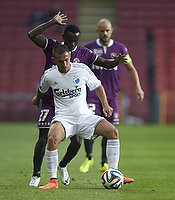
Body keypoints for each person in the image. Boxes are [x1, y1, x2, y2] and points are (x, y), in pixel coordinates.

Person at [28, 11, 126, 187]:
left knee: (78, 141)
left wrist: (116, 62)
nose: (72, 44)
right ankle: (37, 175)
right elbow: (32, 35)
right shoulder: (52, 48)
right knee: (45, 138)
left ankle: (64, 166)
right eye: (70, 40)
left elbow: (104, 66)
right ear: (63, 36)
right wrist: (52, 22)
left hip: (78, 110)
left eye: (75, 41)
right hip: (52, 101)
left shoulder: (83, 58)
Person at [79, 18, 144, 173]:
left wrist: (138, 87)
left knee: (109, 129)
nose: (105, 33)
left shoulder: (121, 48)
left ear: (112, 30)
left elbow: (131, 68)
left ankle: (104, 162)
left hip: (111, 96)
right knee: (90, 126)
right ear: (97, 31)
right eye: (102, 31)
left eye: (107, 30)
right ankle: (88, 157)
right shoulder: (89, 48)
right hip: (92, 95)